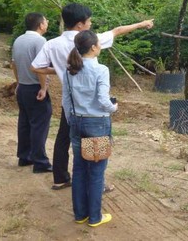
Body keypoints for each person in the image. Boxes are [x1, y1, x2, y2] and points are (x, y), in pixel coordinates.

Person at [31, 2, 154, 190]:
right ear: (80, 25)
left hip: (70, 102)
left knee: (64, 139)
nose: (90, 24)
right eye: (88, 21)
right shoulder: (89, 40)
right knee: (93, 142)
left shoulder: (52, 44)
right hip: (91, 105)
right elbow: (117, 31)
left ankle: (60, 178)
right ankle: (96, 184)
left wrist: (59, 70)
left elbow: (35, 66)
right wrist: (141, 24)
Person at [63, 30, 116, 227]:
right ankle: (95, 217)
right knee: (96, 172)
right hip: (97, 124)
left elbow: (66, 101)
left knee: (78, 169)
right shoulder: (101, 69)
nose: (100, 46)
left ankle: (80, 215)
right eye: (99, 43)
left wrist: (71, 120)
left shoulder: (69, 71)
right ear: (93, 47)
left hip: (76, 122)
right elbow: (103, 101)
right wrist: (114, 107)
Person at [11, 12, 53, 173]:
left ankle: (24, 157)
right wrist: (43, 88)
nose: (47, 23)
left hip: (23, 87)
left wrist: (18, 82)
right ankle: (40, 162)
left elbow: (13, 63)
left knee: (24, 122)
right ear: (40, 25)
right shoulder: (40, 41)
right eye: (46, 20)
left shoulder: (19, 40)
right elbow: (40, 67)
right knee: (39, 125)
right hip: (35, 87)